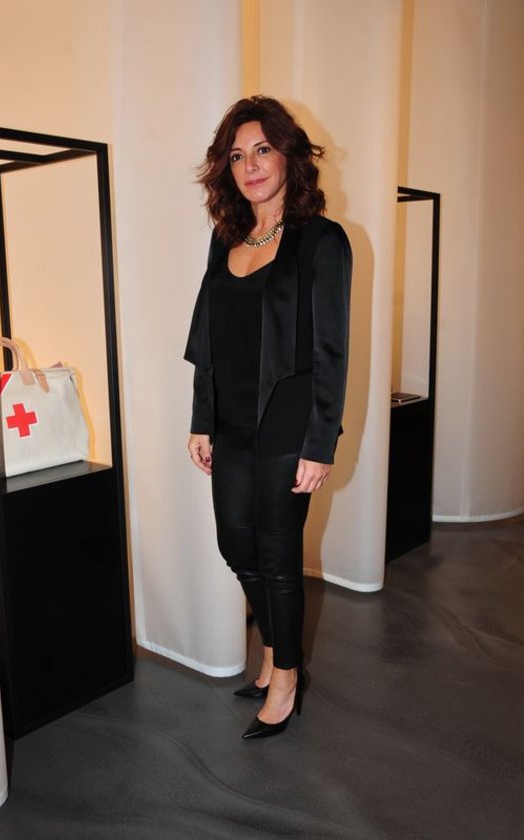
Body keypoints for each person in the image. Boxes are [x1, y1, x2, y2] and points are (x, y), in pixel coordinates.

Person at [184, 96, 352, 740]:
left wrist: (320, 442)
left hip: (288, 419)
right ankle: (280, 651)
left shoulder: (321, 240)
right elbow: (209, 337)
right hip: (230, 421)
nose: (251, 165)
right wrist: (201, 418)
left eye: (262, 150)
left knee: (279, 556)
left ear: (288, 155)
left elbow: (331, 350)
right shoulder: (226, 238)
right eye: (237, 155)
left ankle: (284, 676)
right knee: (236, 545)